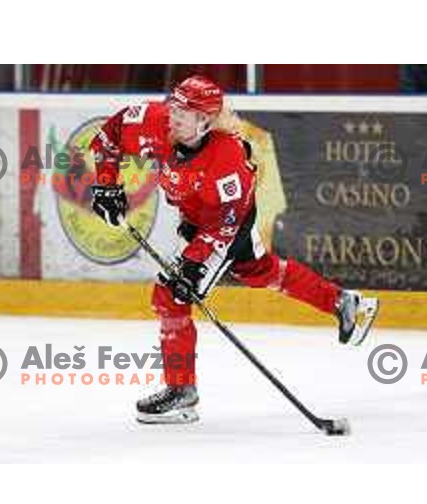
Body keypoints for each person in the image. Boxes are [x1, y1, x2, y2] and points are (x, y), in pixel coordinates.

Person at [88, 75, 379, 424]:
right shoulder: (156, 121)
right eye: (175, 106)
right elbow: (110, 135)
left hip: (226, 227)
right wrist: (106, 185)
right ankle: (343, 302)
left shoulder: (226, 159)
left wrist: (193, 268)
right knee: (260, 271)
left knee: (170, 296)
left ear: (206, 121)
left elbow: (225, 226)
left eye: (186, 111)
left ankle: (181, 392)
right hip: (197, 217)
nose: (174, 116)